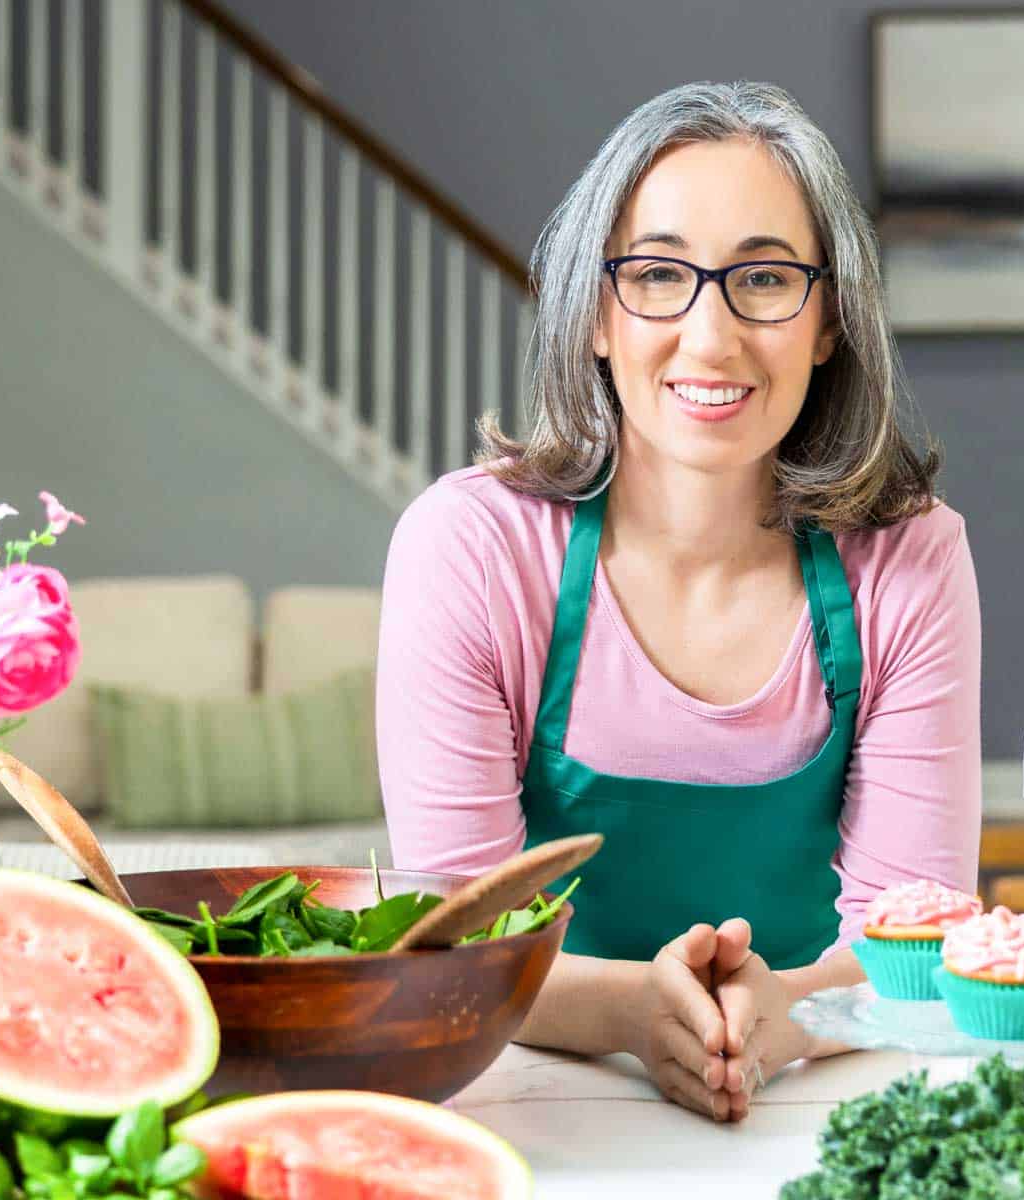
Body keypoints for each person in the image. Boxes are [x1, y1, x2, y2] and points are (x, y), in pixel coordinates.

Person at [376, 81, 982, 1123]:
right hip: (533, 1097)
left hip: (816, 1085)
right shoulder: (471, 548)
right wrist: (628, 1013)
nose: (710, 338)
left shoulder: (910, 558)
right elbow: (455, 949)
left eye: (764, 278)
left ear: (829, 319)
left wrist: (781, 1017)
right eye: (657, 275)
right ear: (598, 315)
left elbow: (916, 947)